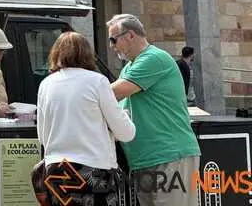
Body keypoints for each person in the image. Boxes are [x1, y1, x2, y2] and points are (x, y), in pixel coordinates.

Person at [107, 14, 201, 206]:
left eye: (113, 39)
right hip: (146, 159)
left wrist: (79, 90)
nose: (111, 46)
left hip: (169, 156)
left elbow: (113, 93)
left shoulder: (154, 58)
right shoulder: (129, 68)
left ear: (130, 35)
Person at [34, 32, 136, 206]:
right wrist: (124, 116)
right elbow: (126, 133)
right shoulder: (97, 82)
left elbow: (42, 137)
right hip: (94, 170)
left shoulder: (46, 84)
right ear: (87, 54)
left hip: (57, 170)